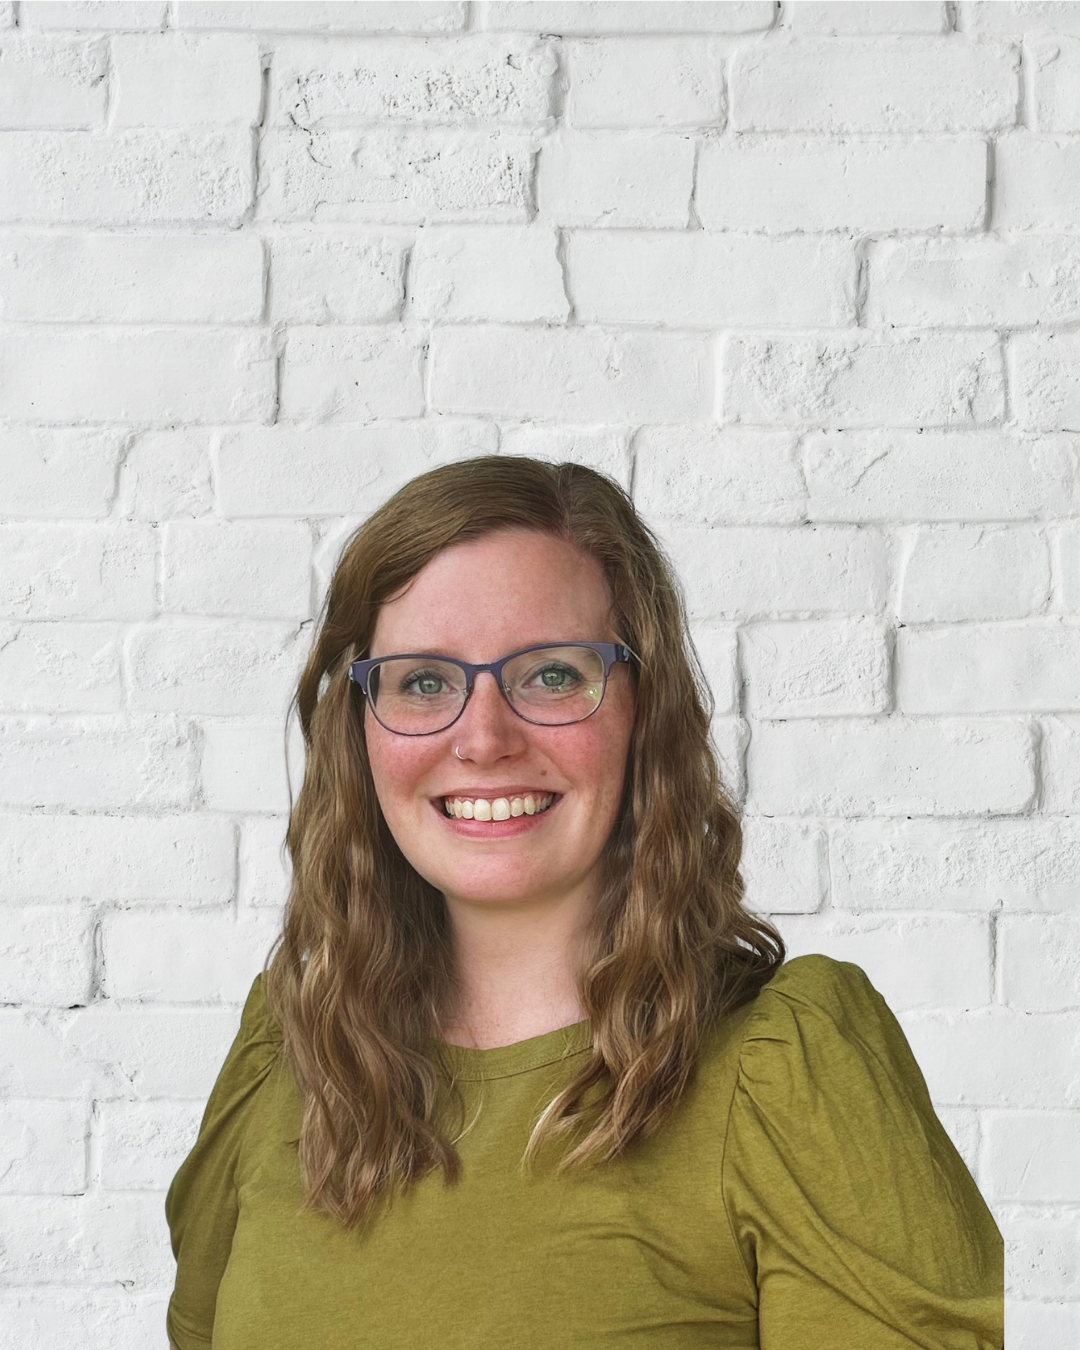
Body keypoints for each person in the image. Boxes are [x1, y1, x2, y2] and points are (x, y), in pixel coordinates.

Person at [165, 455, 1004, 1350]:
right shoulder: (287, 1052)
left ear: (647, 711)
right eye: (423, 681)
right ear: (360, 725)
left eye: (553, 676)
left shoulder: (787, 1075)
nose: (483, 738)